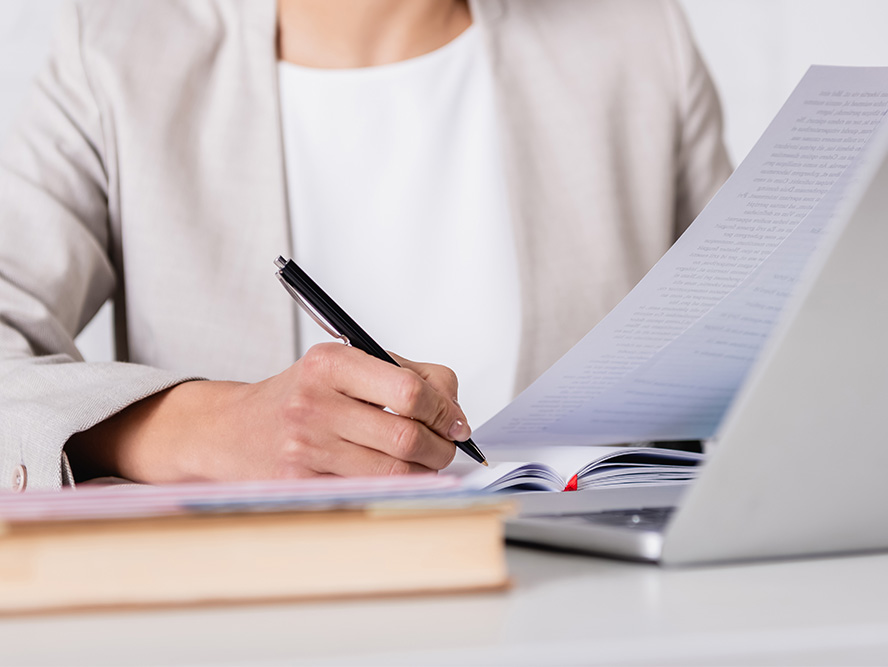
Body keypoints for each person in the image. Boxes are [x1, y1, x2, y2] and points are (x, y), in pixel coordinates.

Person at [0, 0, 730, 492]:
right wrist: (202, 427)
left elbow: (762, 351)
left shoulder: (639, 42)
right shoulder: (116, 63)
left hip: (587, 621)